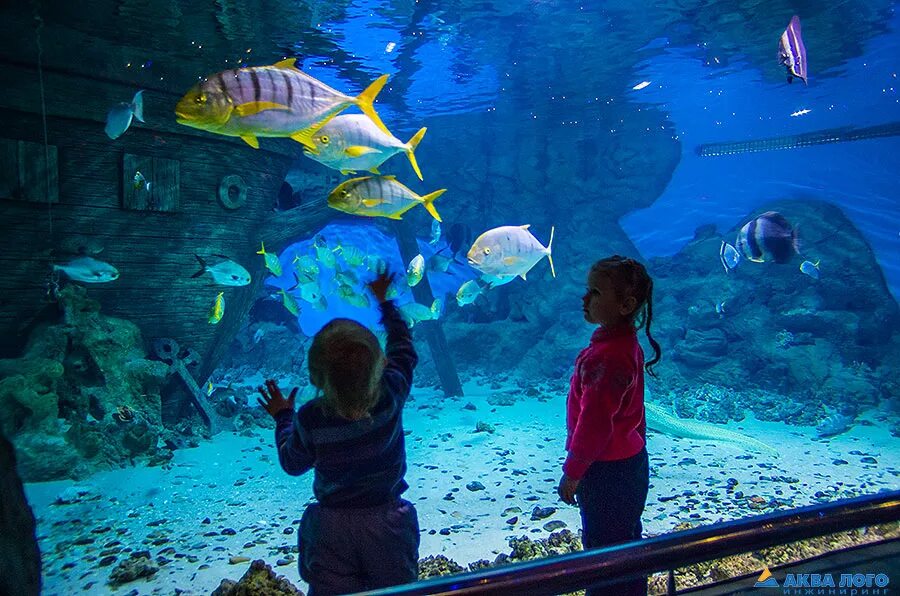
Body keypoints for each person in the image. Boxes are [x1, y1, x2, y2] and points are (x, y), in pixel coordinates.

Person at [257, 268, 419, 595]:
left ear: (316, 378)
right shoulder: (391, 394)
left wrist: (283, 417)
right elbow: (405, 349)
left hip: (331, 527)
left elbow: (293, 463)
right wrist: (385, 303)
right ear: (382, 364)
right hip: (388, 521)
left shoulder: (312, 417)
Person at [557, 255, 662, 596]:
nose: (585, 299)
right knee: (628, 547)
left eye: (596, 292)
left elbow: (595, 424)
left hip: (606, 473)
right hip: (631, 466)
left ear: (625, 304)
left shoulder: (607, 356)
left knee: (603, 557)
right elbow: (634, 414)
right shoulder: (625, 345)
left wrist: (573, 471)